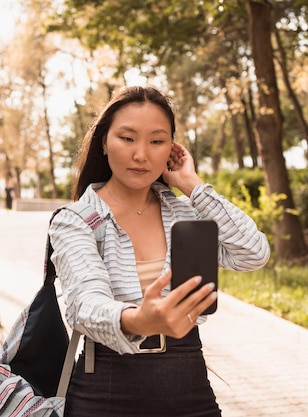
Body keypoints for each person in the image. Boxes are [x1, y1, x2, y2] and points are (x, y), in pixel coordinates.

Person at [48, 86, 270, 417]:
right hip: (105, 390)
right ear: (104, 143)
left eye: (156, 141)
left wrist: (192, 185)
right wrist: (139, 319)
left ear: (171, 148)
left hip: (187, 382)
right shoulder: (78, 220)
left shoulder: (185, 213)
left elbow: (253, 252)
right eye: (127, 138)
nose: (142, 154)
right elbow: (85, 304)